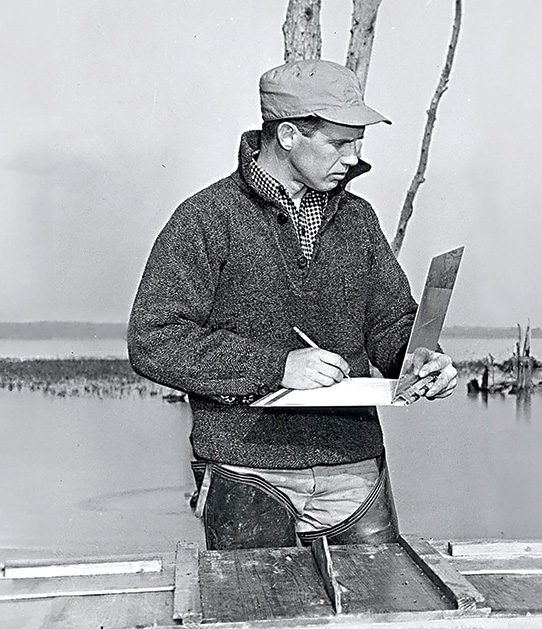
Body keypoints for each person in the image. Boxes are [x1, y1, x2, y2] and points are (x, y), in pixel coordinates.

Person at [128, 59, 458, 550]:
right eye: (340, 143)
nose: (353, 157)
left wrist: (416, 359)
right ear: (286, 135)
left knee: (385, 615)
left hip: (354, 471)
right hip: (246, 471)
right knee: (257, 617)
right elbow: (154, 339)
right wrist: (275, 366)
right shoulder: (206, 217)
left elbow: (390, 321)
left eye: (358, 143)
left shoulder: (358, 219)